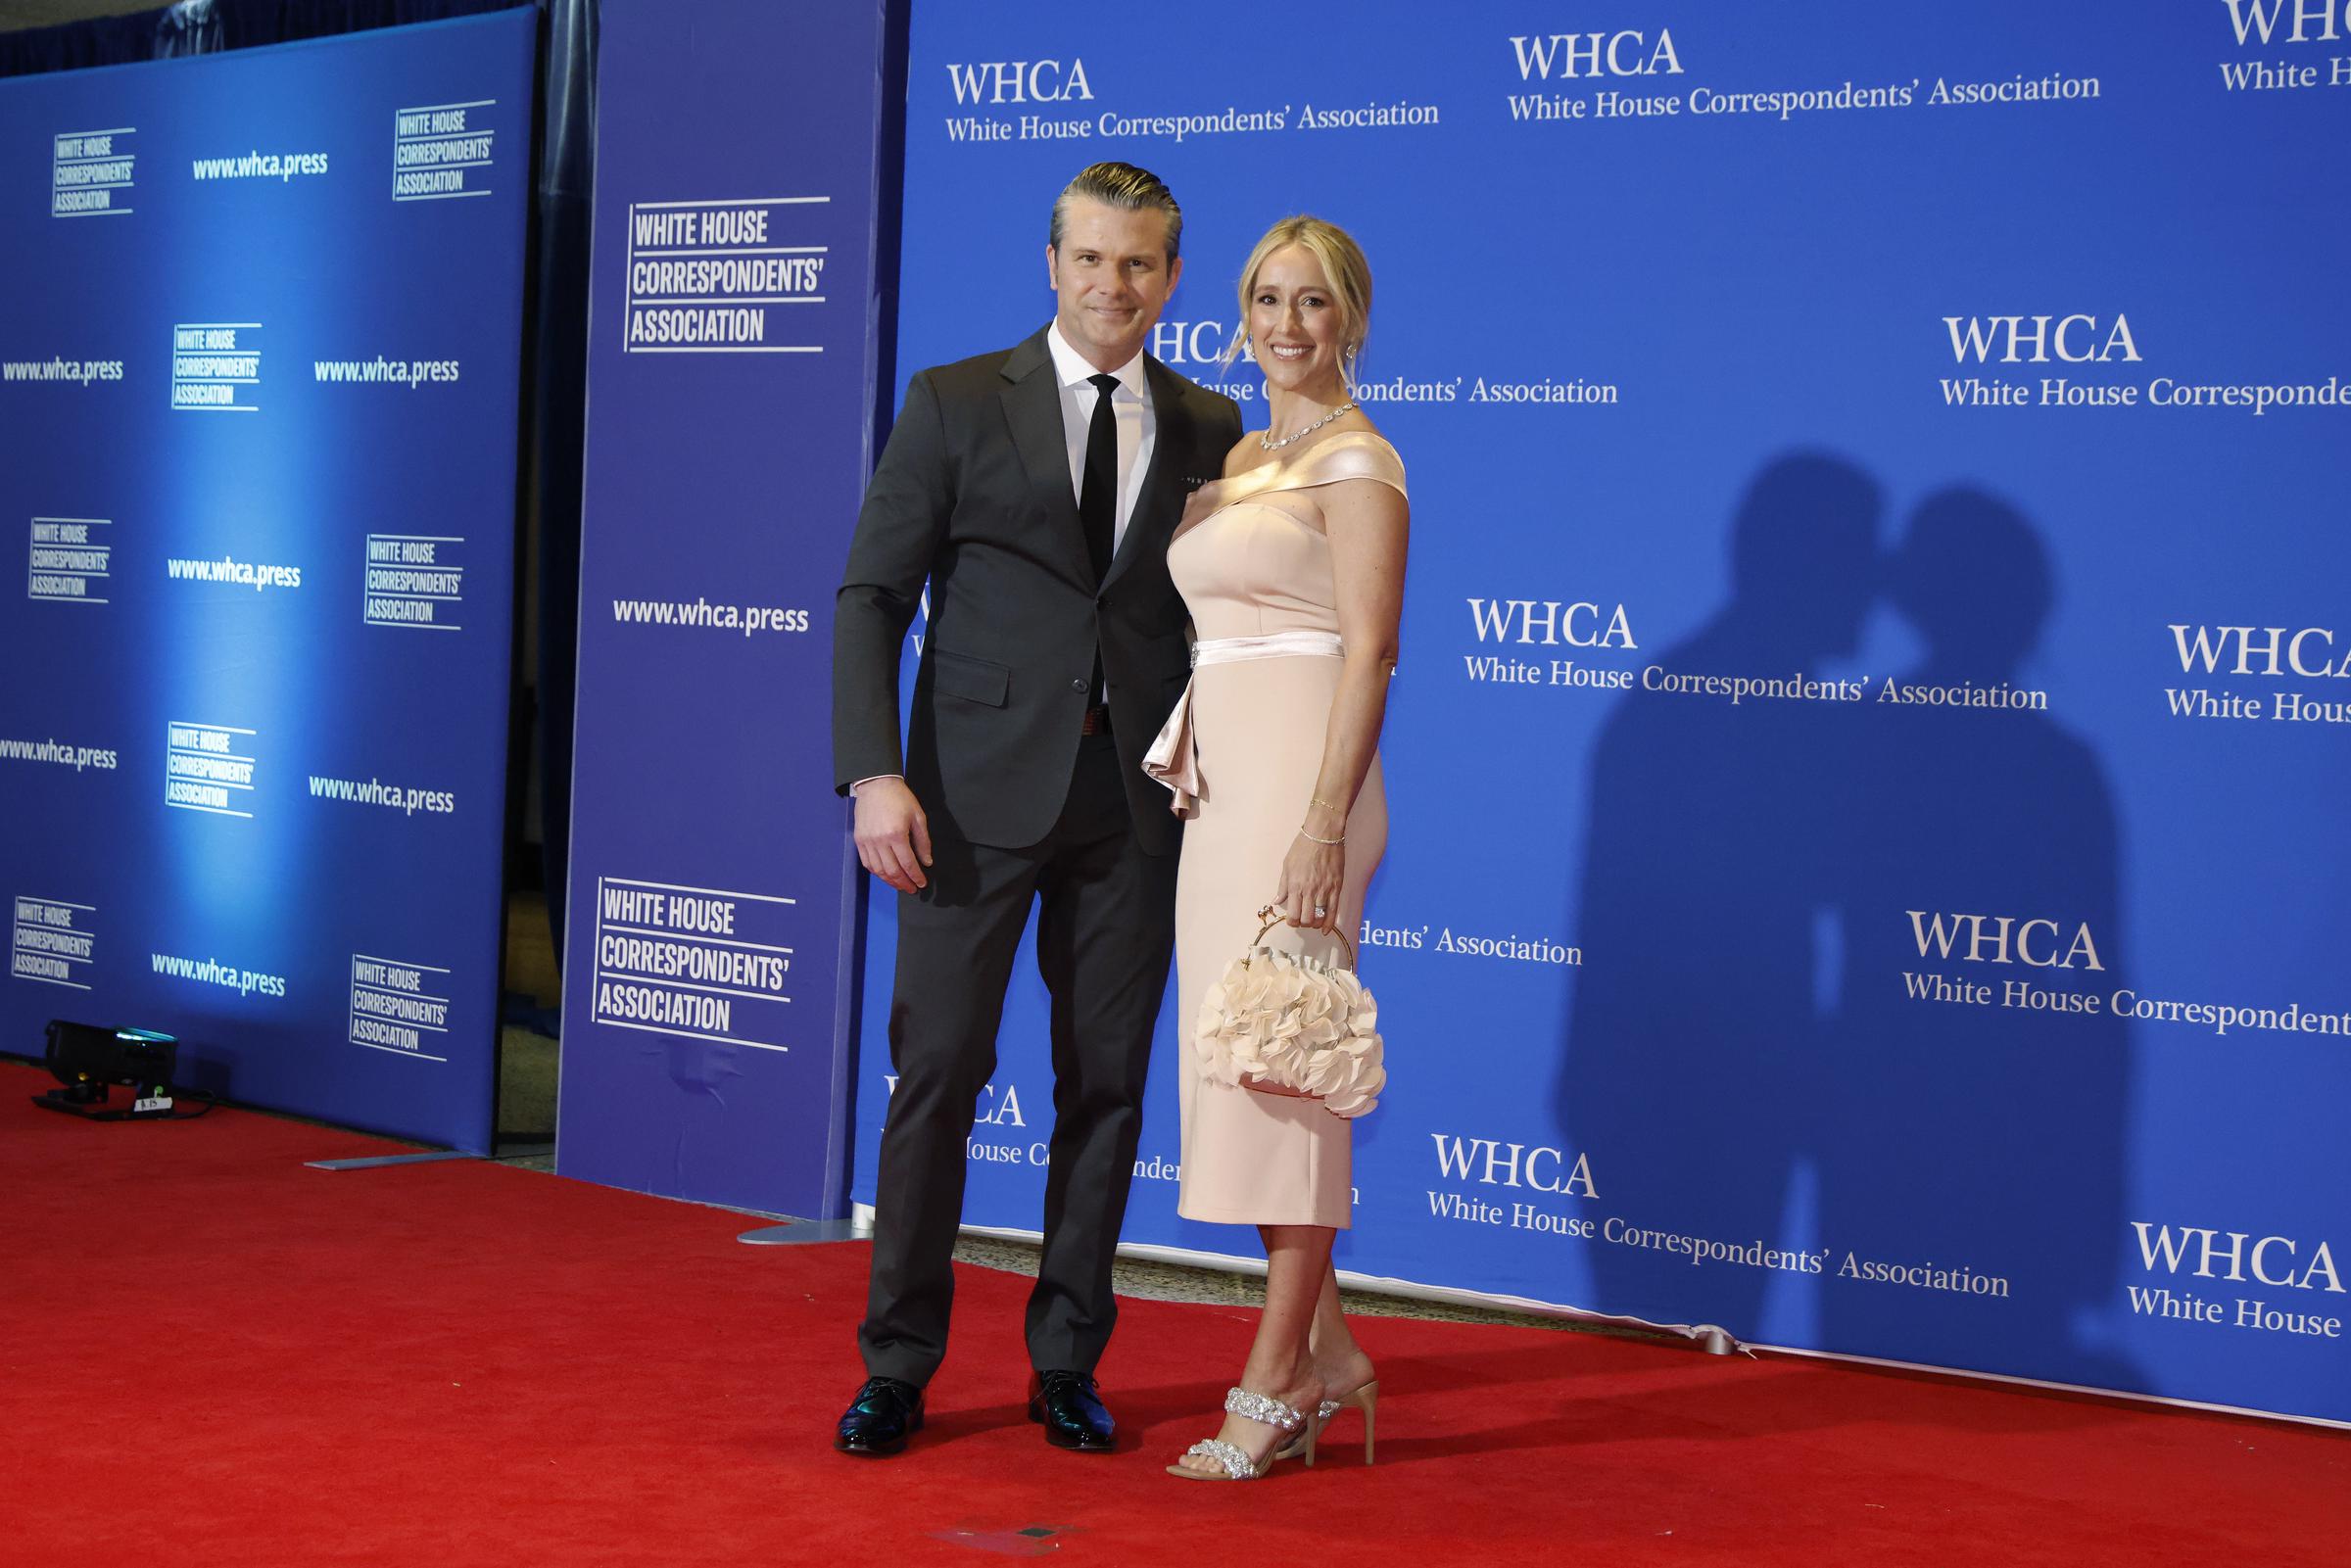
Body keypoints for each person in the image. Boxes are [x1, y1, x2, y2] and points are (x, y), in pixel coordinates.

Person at [829, 162, 1242, 1457]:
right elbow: (870, 596)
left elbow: (1212, 619)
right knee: (939, 1075)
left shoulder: (1209, 422)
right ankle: (898, 1362)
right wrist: (873, 770)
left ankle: (1068, 1357)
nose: (1114, 286)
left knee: (1106, 1086)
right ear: (1051, 264)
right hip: (964, 800)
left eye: (1141, 264)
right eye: (1093, 260)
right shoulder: (955, 401)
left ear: (1172, 278)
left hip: (1134, 810)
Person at [1147, 216, 1408, 1480]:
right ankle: (1336, 1352)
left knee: (1292, 1080)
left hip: (1305, 792)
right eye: (1266, 298)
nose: (1286, 325)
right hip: (1221, 796)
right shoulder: (1249, 451)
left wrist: (1319, 827)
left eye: (1313, 302)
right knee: (1241, 1060)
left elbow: (1370, 652)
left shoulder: (1361, 461)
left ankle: (1273, 1378)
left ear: (1350, 316)